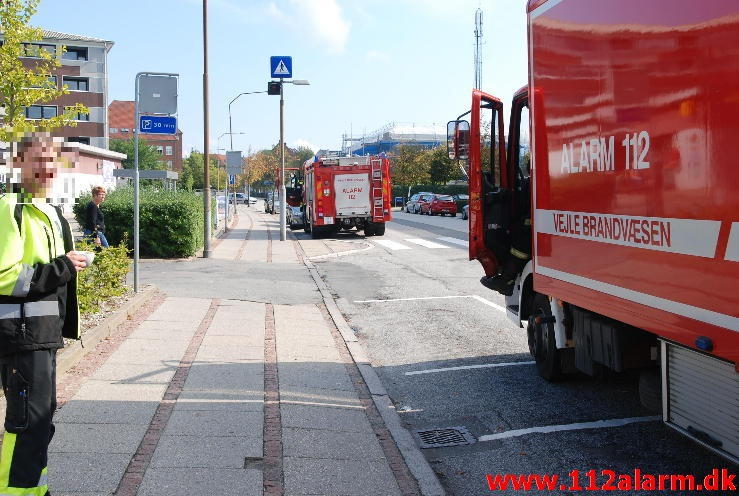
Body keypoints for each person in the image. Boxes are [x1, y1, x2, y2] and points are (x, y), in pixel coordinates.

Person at [0, 134, 87, 496]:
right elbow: (6, 278)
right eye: (37, 160)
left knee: (39, 420)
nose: (46, 168)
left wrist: (68, 265)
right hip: (21, 333)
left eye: (51, 161)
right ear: (18, 164)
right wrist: (64, 266)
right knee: (27, 421)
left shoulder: (50, 212)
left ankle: (35, 489)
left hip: (42, 334)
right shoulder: (11, 208)